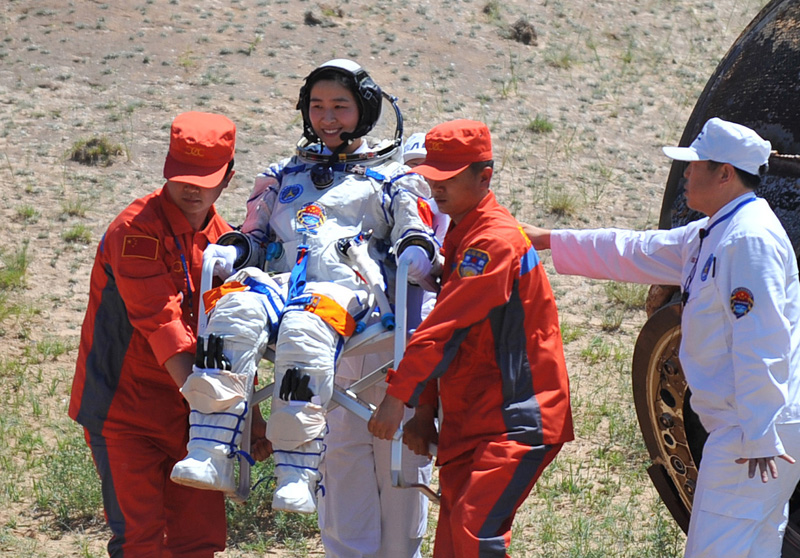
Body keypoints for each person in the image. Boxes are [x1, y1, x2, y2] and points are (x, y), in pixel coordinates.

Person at [169, 58, 440, 525]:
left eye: (341, 106)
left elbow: (414, 231)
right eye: (317, 106)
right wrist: (234, 252)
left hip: (346, 287)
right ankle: (210, 450)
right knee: (233, 311)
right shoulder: (280, 175)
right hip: (279, 281)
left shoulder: (392, 177)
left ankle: (296, 471)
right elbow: (253, 236)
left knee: (304, 329)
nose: (327, 117)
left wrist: (416, 254)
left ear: (366, 109)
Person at [523, 117, 800, 558]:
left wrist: (760, 433)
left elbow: (763, 341)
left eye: (695, 165)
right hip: (754, 426)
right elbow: (633, 250)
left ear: (724, 173)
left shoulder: (748, 240)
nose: (686, 174)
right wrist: (550, 240)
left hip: (753, 430)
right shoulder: (716, 231)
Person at [368, 119, 574, 558]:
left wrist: (398, 398)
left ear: (485, 177)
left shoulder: (492, 243)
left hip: (515, 419)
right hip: (473, 420)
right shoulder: (464, 236)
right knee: (454, 544)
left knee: (474, 533)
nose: (436, 188)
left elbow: (444, 329)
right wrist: (424, 414)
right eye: (432, 178)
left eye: (449, 179)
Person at [69, 111, 252, 557]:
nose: (191, 188)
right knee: (140, 541)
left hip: (191, 415)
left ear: (227, 177)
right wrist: (223, 413)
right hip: (123, 412)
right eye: (182, 175)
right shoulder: (135, 231)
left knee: (198, 541)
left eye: (204, 178)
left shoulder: (228, 241)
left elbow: (236, 339)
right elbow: (161, 322)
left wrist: (248, 419)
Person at [317, 131, 440, 558]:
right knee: (343, 462)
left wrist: (422, 403)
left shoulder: (457, 232)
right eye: (417, 171)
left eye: (437, 174)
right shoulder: (375, 207)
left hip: (412, 366)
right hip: (355, 348)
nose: (428, 184)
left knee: (403, 480)